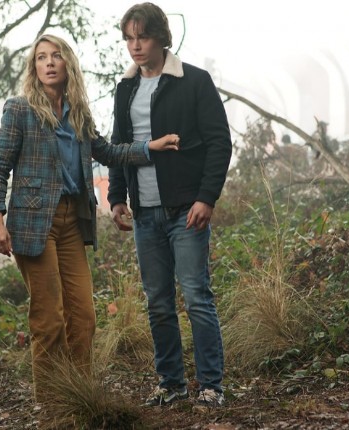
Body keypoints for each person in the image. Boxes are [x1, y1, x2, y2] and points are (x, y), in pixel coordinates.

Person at [0, 33, 179, 403]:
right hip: (34, 224)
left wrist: (149, 147)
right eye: (41, 57)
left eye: (56, 55)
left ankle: (78, 398)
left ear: (67, 63)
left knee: (84, 318)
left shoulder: (78, 113)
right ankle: (51, 408)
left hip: (74, 221)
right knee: (49, 320)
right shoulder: (20, 110)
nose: (49, 62)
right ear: (34, 67)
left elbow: (108, 153)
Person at [108, 2, 232, 408]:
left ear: (161, 38)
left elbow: (219, 142)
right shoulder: (125, 88)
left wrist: (206, 198)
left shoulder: (193, 81)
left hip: (185, 210)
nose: (135, 45)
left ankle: (211, 385)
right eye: (129, 38)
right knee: (158, 303)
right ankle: (171, 384)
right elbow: (118, 147)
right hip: (144, 214)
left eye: (142, 37)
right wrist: (117, 197)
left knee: (196, 297)